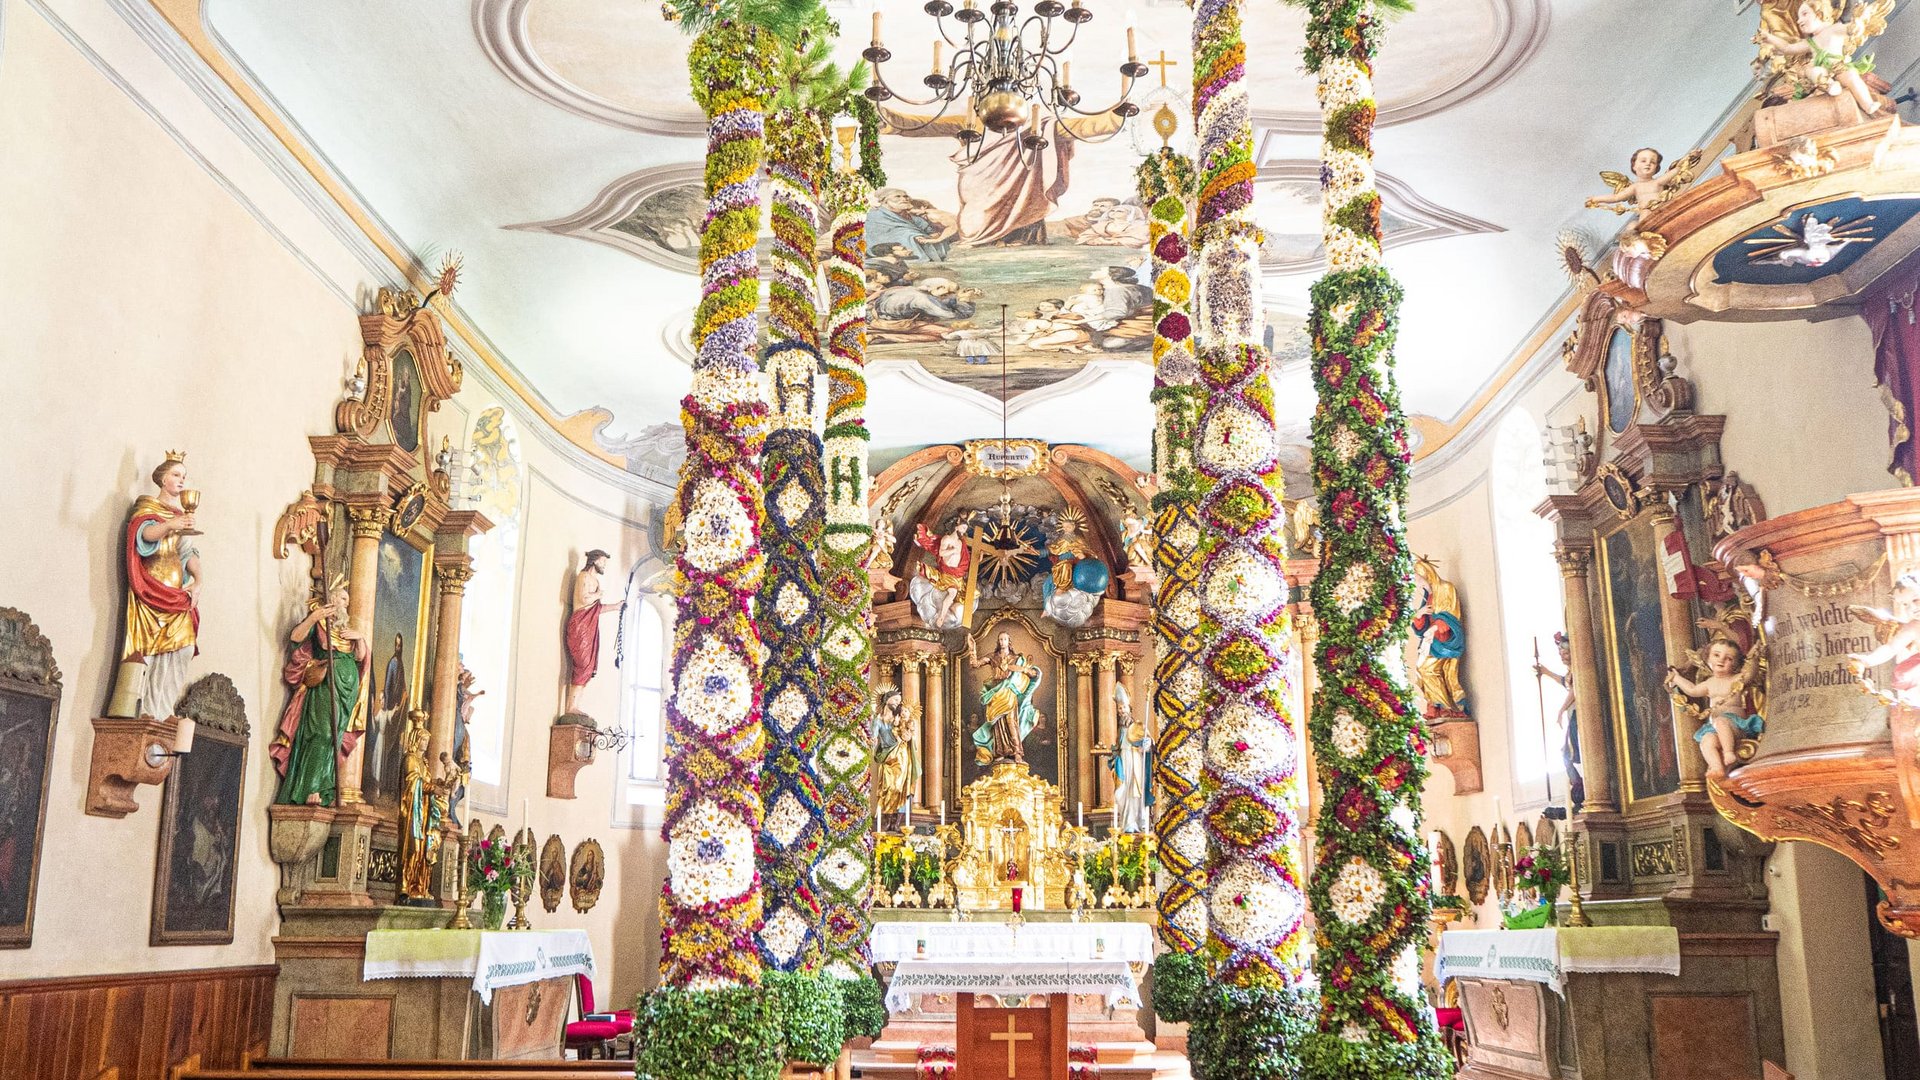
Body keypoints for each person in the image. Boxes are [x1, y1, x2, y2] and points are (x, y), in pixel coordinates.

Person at [109, 452, 203, 720]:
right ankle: (145, 710)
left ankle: (163, 708)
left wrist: (198, 581)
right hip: (151, 591)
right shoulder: (148, 508)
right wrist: (171, 524)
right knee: (150, 648)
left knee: (182, 648)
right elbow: (144, 536)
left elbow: (188, 553)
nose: (181, 480)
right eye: (176, 474)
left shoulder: (178, 515)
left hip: (176, 594)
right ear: (162, 479)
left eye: (184, 476)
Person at [271, 579, 370, 806]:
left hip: (346, 689)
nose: (347, 603)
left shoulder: (347, 629)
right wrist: (314, 618)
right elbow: (296, 637)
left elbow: (360, 658)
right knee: (321, 734)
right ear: (332, 599)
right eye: (343, 598)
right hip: (326, 684)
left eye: (347, 600)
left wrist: (360, 639)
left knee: (334, 740)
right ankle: (309, 789)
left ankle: (326, 788)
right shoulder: (320, 624)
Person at [1666, 638, 1764, 779]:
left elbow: (1750, 674)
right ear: (1708, 658)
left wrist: (1754, 657)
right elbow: (1692, 690)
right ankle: (1717, 767)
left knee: (1721, 722)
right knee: (1707, 740)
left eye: (1728, 658)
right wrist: (1676, 678)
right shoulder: (1709, 683)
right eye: (1716, 655)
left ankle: (1728, 752)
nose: (1721, 660)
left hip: (1735, 724)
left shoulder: (1736, 679)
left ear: (1736, 664)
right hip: (1716, 727)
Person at [967, 632, 1044, 765]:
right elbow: (974, 664)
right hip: (996, 693)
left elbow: (1030, 673)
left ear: (1009, 641)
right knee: (998, 724)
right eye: (1000, 639)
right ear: (998, 642)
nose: (1002, 641)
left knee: (1011, 721)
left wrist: (1025, 671)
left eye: (1005, 639)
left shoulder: (1016, 658)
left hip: (1009, 692)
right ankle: (1000, 752)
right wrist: (972, 649)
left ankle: (1017, 752)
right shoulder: (992, 657)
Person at [563, 550, 618, 716]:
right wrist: (597, 594)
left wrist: (616, 606)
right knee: (582, 664)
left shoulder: (595, 580)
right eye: (602, 562)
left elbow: (596, 609)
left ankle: (574, 706)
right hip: (580, 626)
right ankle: (570, 707)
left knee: (587, 668)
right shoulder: (584, 577)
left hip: (590, 626)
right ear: (594, 561)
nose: (604, 566)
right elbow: (583, 599)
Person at [1109, 686, 1153, 834]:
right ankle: (1127, 820)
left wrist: (1147, 744)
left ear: (1130, 708)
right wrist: (1114, 753)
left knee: (1135, 791)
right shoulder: (1121, 729)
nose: (1121, 711)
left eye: (1124, 707)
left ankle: (1137, 820)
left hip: (1135, 761)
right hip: (1123, 761)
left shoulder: (1137, 726)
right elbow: (1119, 745)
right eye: (1119, 708)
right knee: (1122, 791)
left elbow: (1147, 742)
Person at [868, 189, 955, 262]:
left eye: (905, 196)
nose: (904, 199)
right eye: (897, 196)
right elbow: (876, 234)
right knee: (906, 234)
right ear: (885, 200)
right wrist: (914, 235)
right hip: (891, 247)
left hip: (923, 240)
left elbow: (928, 229)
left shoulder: (911, 215)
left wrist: (933, 236)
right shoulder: (874, 215)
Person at [873, 688, 918, 826]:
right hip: (887, 757)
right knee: (887, 787)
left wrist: (908, 735)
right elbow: (874, 737)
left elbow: (910, 735)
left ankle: (896, 820)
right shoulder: (879, 719)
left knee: (900, 787)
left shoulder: (900, 718)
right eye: (896, 700)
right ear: (887, 700)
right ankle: (887, 818)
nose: (899, 702)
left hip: (901, 755)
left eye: (899, 700)